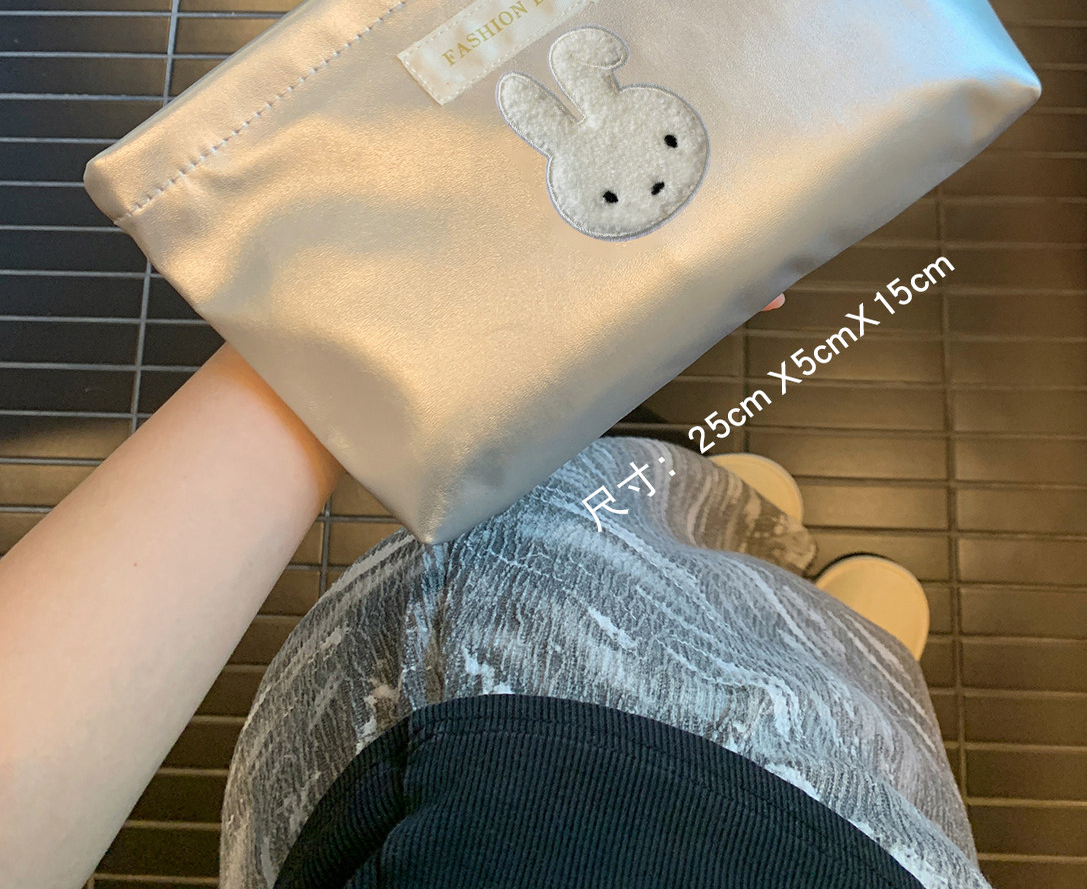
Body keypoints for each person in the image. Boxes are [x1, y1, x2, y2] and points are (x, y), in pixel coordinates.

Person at [0, 295, 990, 889]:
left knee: (575, 549)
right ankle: (832, 637)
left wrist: (370, 314)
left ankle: (739, 553)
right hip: (844, 851)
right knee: (849, 717)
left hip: (482, 777)